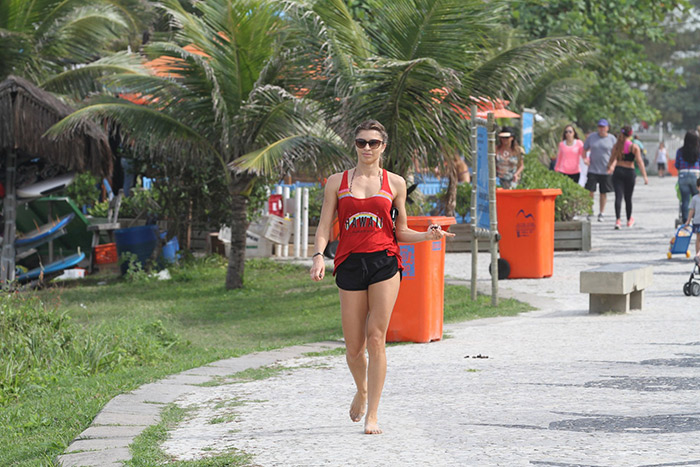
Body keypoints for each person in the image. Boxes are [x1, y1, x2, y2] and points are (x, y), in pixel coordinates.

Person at [309, 119, 454, 435]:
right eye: (361, 142)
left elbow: (399, 231)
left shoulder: (396, 183)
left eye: (373, 142)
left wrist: (427, 237)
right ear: (355, 145)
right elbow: (324, 226)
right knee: (353, 348)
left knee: (376, 335)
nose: (366, 148)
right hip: (348, 263)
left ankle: (372, 414)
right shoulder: (337, 181)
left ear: (383, 146)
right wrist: (318, 255)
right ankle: (361, 390)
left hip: (385, 262)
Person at [607, 126, 648, 229]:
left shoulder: (617, 146)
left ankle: (618, 220)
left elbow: (611, 159)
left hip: (618, 171)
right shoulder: (634, 147)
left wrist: (609, 167)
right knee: (628, 197)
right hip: (629, 171)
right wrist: (645, 176)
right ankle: (629, 220)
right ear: (630, 134)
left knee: (618, 196)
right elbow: (639, 162)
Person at [583, 119, 617, 221]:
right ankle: (590, 210)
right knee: (590, 191)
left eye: (603, 127)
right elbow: (584, 149)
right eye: (600, 127)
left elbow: (616, 154)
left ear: (607, 128)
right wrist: (585, 159)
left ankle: (601, 212)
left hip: (605, 169)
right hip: (593, 169)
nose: (601, 129)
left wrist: (613, 165)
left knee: (603, 192)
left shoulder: (612, 139)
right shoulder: (592, 137)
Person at [675, 130, 700, 223]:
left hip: (683, 175)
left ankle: (686, 221)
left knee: (685, 200)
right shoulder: (698, 151)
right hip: (696, 175)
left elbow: (677, 165)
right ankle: (696, 220)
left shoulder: (680, 151)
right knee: (697, 198)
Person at [684, 177, 700, 257]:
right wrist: (688, 220)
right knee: (698, 237)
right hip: (697, 221)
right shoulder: (695, 198)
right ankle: (698, 254)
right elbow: (691, 210)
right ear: (697, 187)